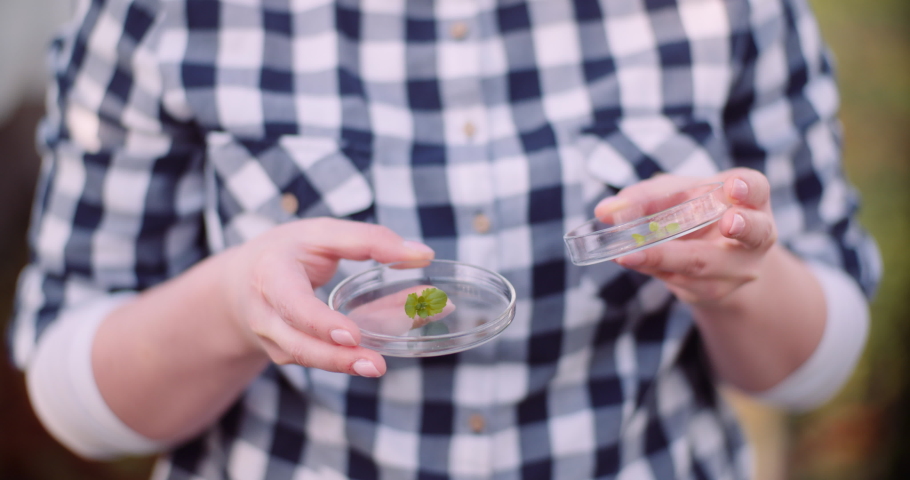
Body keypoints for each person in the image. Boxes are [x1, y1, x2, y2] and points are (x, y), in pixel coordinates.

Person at [8, 0, 881, 478]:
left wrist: (735, 269)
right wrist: (233, 305)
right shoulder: (155, 17)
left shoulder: (736, 12)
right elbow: (75, 392)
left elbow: (815, 365)